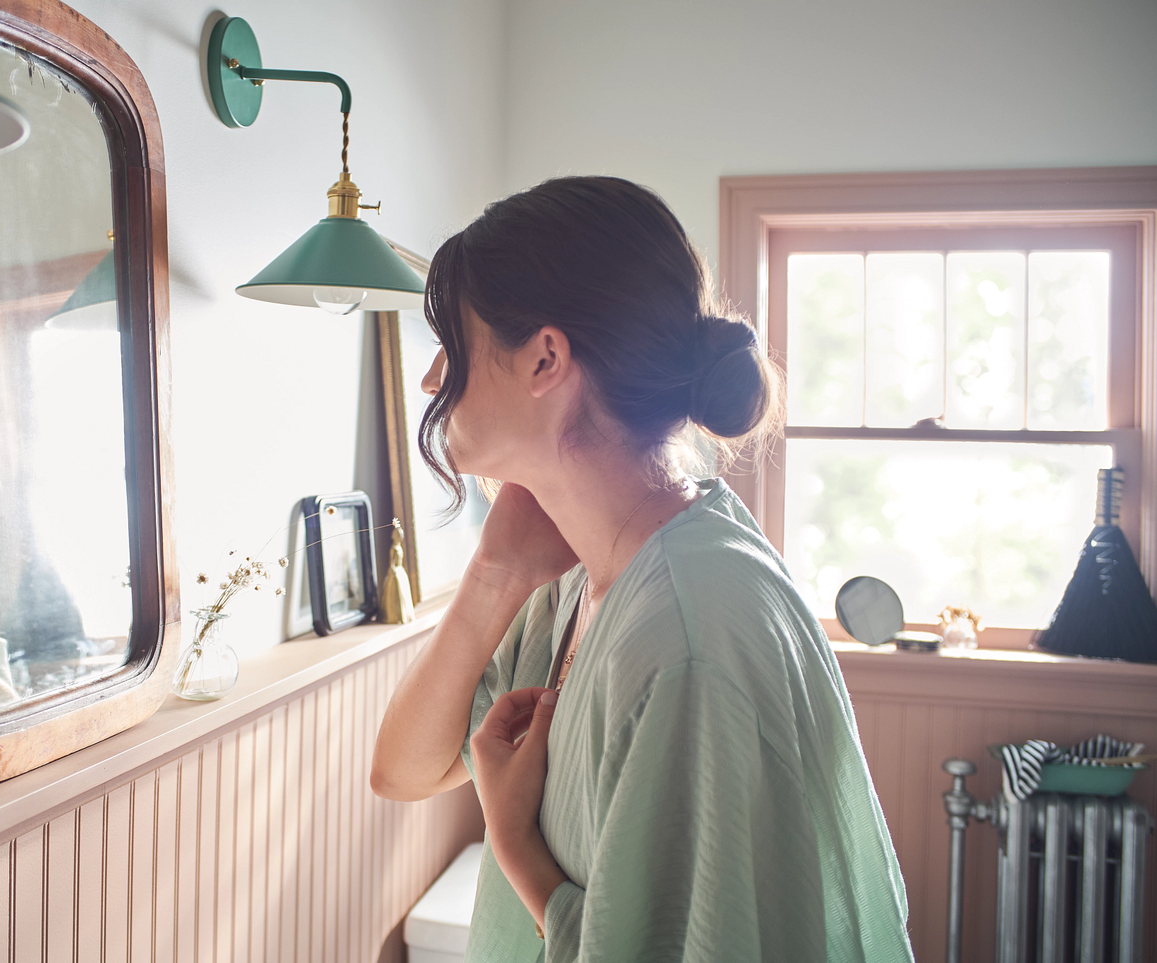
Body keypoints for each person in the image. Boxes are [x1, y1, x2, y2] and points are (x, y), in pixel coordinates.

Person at [369, 176, 914, 962]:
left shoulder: (690, 633)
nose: (429, 382)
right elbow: (403, 769)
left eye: (452, 347)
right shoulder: (569, 575)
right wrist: (492, 574)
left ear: (545, 359)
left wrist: (516, 844)